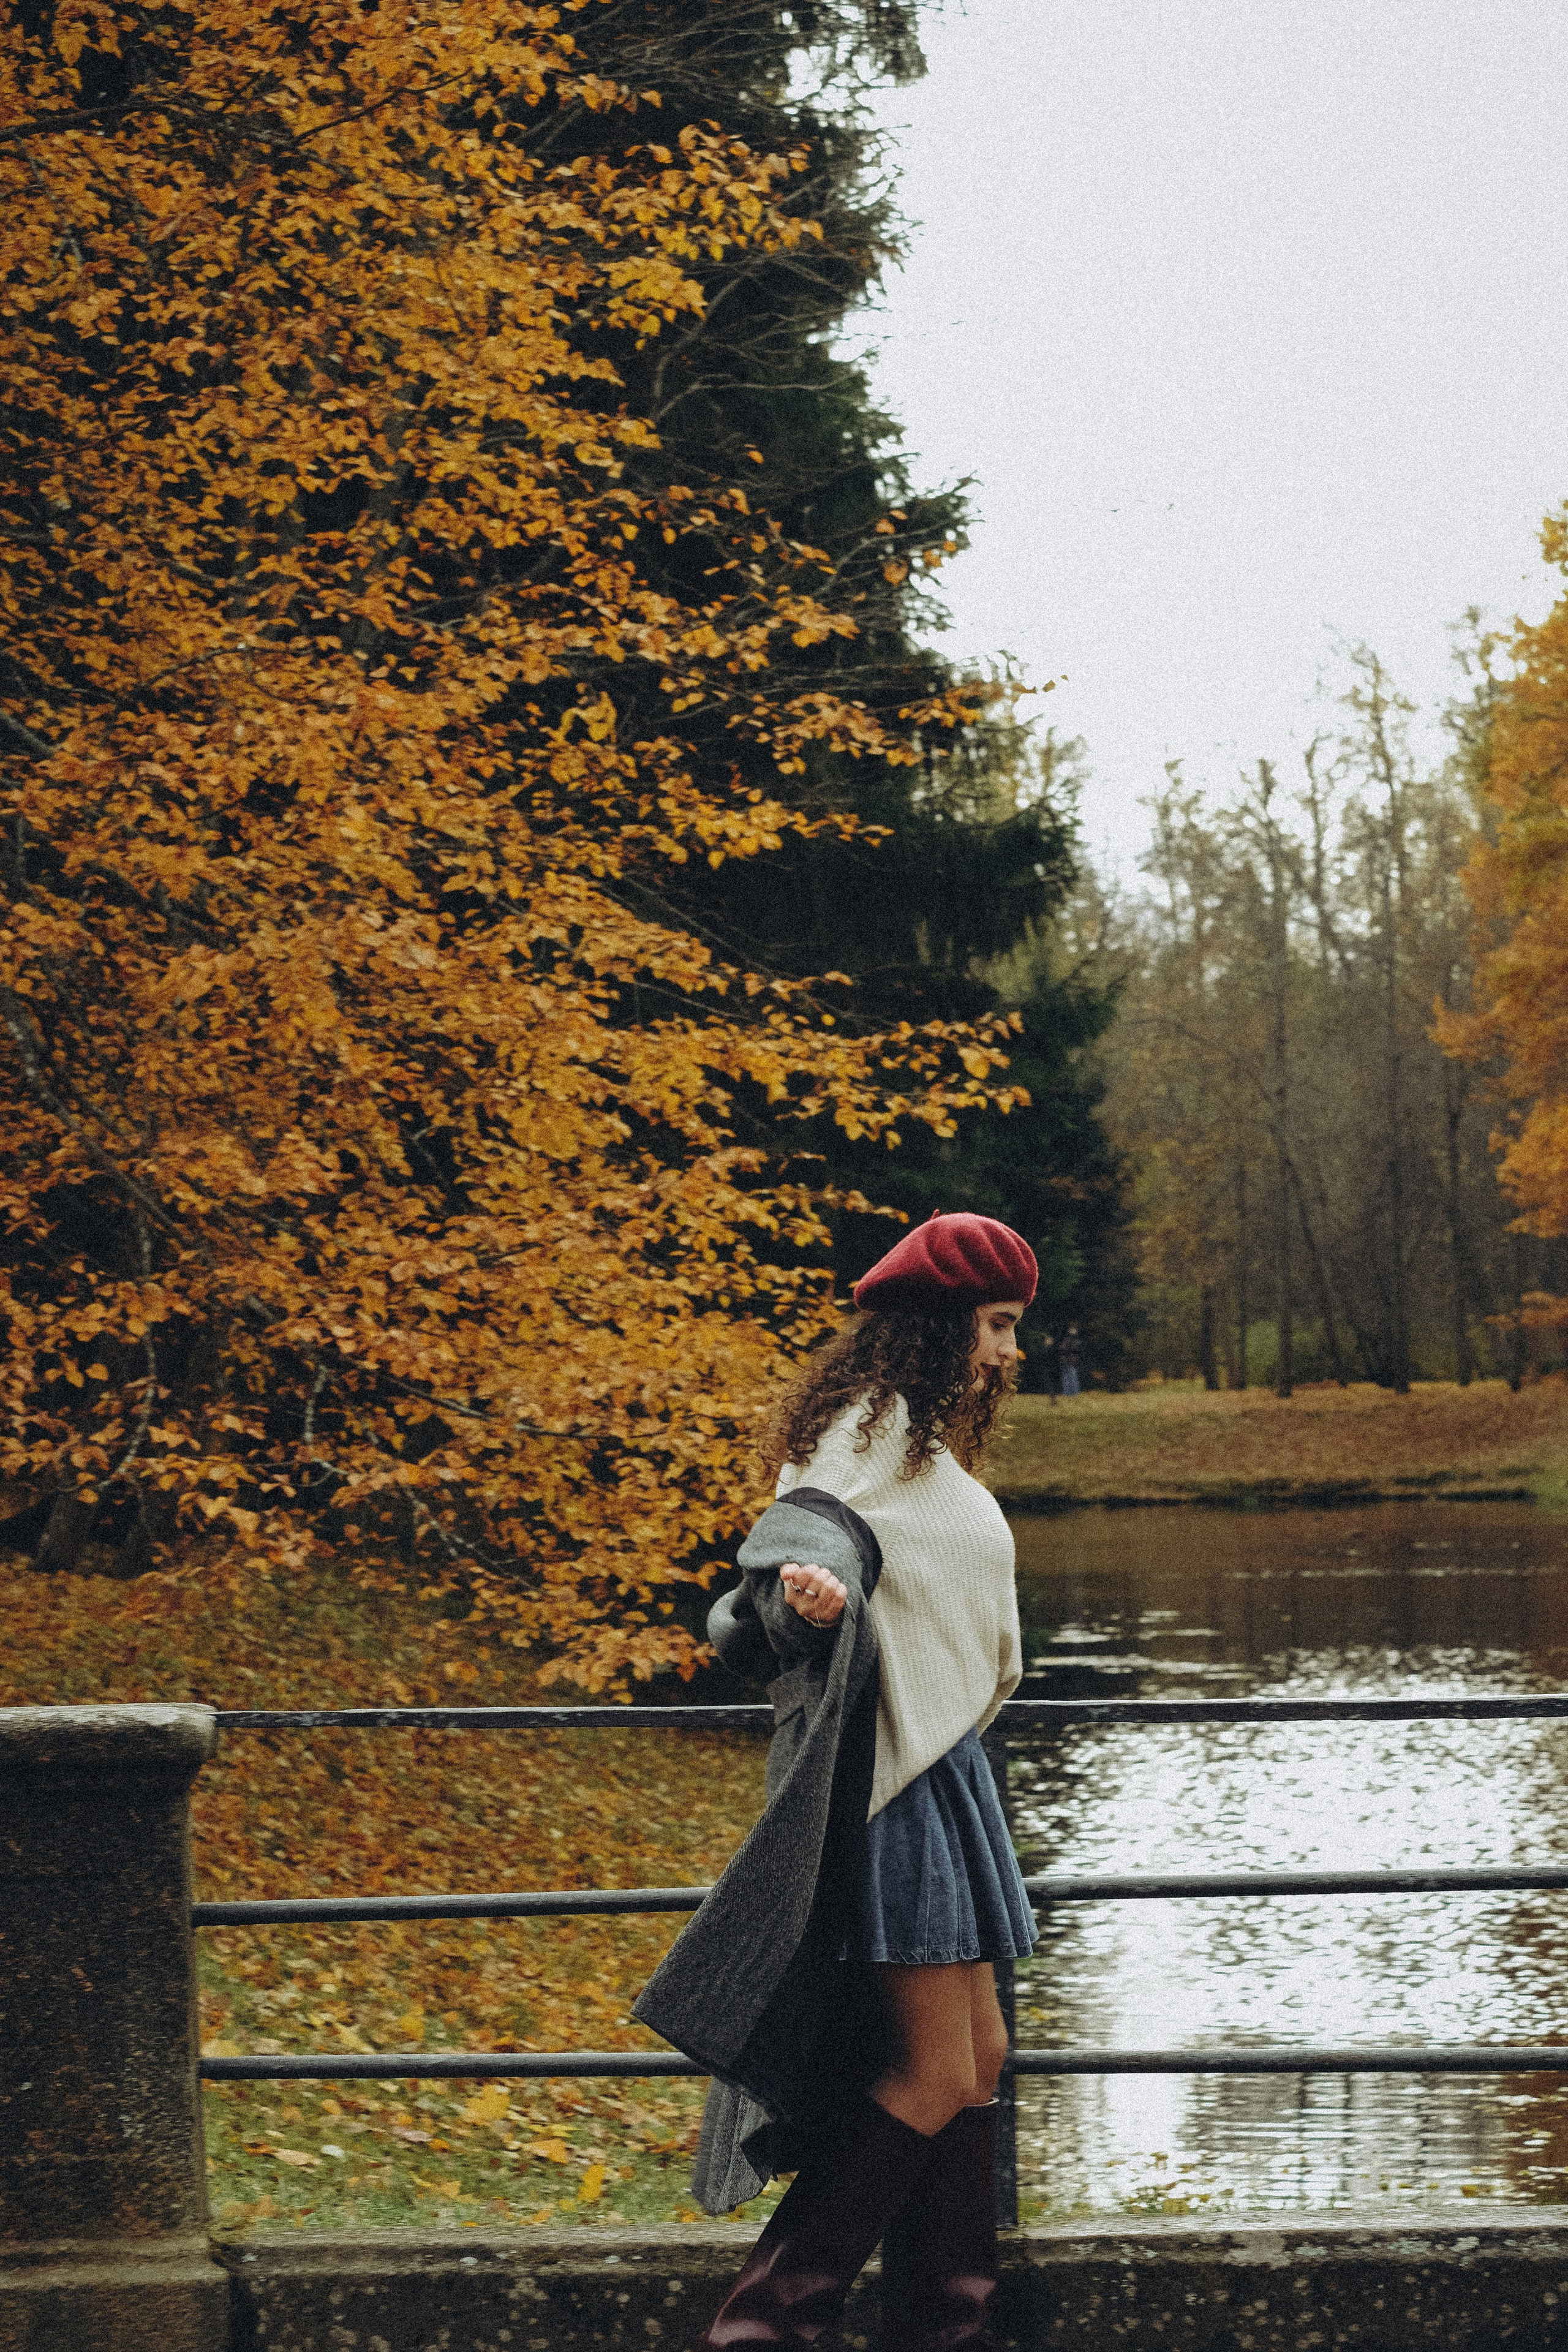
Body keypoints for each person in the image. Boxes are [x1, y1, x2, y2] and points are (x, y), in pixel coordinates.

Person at [634, 1210, 1038, 2352]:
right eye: (997, 1325)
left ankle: (947, 2323)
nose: (1008, 1352)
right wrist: (801, 1602)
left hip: (941, 1770)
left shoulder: (917, 1438)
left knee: (983, 2060)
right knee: (932, 2070)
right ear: (938, 1322)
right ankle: (765, 2325)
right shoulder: (860, 1436)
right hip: (893, 1781)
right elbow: (778, 1573)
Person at [1058, 1322, 1082, 1397]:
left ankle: (1075, 1393)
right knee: (1066, 1377)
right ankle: (1067, 1393)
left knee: (1073, 1376)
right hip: (1066, 1361)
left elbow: (1076, 1349)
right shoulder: (1067, 1339)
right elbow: (1062, 1348)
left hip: (1072, 1361)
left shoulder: (1076, 1341)